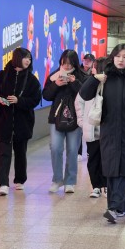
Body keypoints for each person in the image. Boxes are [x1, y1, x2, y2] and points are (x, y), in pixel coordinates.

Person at [81, 44, 125, 223]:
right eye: (118, 56)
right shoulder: (104, 78)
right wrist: (94, 79)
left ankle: (113, 207)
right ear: (112, 58)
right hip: (109, 131)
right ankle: (123, 205)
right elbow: (84, 95)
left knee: (123, 169)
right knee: (111, 169)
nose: (121, 60)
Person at [0, 47, 41, 196]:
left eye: (29, 58)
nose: (28, 61)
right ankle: (3, 183)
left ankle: (20, 180)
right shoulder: (2, 75)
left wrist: (19, 100)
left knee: (21, 153)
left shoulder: (32, 79)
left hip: (23, 124)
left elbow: (35, 99)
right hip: (3, 122)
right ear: (17, 58)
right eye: (25, 57)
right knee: (4, 153)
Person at [42, 49, 86, 194]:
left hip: (75, 119)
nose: (67, 66)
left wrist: (74, 83)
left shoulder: (81, 76)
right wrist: (56, 84)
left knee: (73, 150)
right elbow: (46, 95)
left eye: (70, 63)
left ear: (75, 63)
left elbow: (85, 95)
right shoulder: (54, 75)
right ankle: (57, 179)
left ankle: (70, 181)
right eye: (64, 63)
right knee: (55, 148)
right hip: (56, 118)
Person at [77, 57, 107, 198]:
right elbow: (79, 102)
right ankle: (96, 186)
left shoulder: (112, 84)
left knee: (106, 158)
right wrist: (82, 122)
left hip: (107, 130)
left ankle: (106, 184)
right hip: (92, 129)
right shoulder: (90, 82)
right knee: (93, 159)